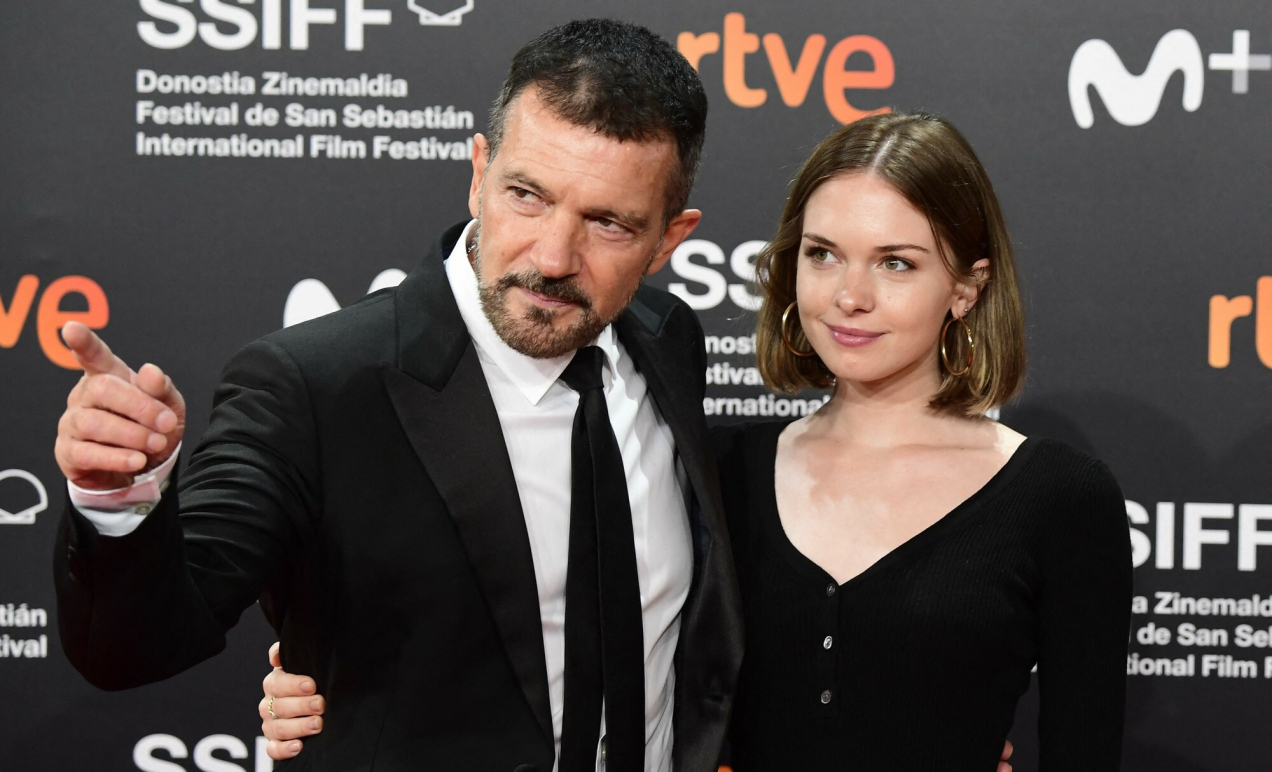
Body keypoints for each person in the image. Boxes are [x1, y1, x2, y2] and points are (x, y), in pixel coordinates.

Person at [262, 113, 1130, 770]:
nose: (850, 296)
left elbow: (1083, 747)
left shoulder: (1058, 499)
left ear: (967, 288)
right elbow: (543, 626)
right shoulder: (715, 471)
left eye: (896, 262)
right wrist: (330, 672)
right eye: (823, 254)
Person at [52, 19, 743, 772]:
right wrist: (119, 499)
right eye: (526, 195)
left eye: (608, 224)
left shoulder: (666, 338)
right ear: (478, 173)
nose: (552, 257)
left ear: (668, 239)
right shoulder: (314, 387)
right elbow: (135, 647)